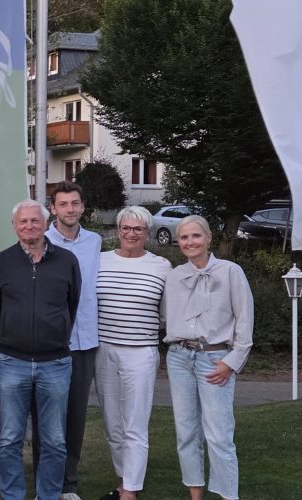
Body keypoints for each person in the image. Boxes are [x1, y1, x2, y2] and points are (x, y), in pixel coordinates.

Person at [0, 199, 80, 500]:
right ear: (14, 226)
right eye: (23, 221)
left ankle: (48, 495)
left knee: (54, 440)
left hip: (55, 363)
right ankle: (12, 496)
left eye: (34, 220)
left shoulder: (67, 261)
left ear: (45, 223)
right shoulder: (1, 262)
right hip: (11, 361)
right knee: (9, 438)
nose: (29, 226)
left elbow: (72, 304)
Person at [162, 215, 252, 500]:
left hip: (215, 359)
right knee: (186, 431)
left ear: (208, 238)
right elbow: (166, 316)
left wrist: (232, 362)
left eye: (196, 235)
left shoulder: (231, 272)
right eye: (184, 237)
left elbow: (245, 321)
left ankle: (228, 495)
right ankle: (195, 494)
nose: (190, 242)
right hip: (179, 358)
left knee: (219, 433)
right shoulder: (174, 276)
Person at [94, 206, 171, 500]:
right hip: (104, 350)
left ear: (147, 233)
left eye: (138, 229)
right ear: (118, 230)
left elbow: (166, 313)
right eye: (126, 228)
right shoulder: (100, 261)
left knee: (135, 423)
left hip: (141, 351)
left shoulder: (161, 266)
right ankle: (124, 479)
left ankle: (130, 491)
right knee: (113, 422)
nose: (131, 233)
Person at [39, 181, 101, 500]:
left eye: (75, 203)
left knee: (75, 416)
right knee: (47, 417)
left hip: (85, 342)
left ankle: (68, 484)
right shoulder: (41, 242)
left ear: (83, 206)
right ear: (53, 209)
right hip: (51, 344)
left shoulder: (95, 242)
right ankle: (45, 483)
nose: (70, 209)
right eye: (63, 204)